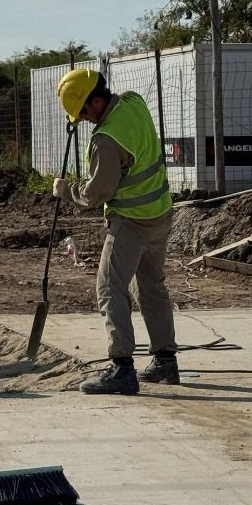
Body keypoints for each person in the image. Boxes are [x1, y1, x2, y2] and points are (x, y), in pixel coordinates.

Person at [52, 68, 178, 395]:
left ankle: (122, 368)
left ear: (96, 101)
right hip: (160, 213)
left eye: (83, 112)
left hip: (131, 221)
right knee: (152, 285)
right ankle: (165, 360)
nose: (83, 119)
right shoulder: (134, 103)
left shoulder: (106, 140)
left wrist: (66, 191)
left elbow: (97, 193)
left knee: (109, 286)